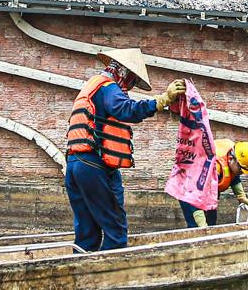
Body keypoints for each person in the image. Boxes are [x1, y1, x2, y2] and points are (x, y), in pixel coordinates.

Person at [65, 46, 184, 252]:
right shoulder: (109, 87)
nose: (129, 86)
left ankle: (81, 273)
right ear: (123, 72)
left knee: (87, 232)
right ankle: (110, 275)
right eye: (131, 80)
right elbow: (125, 109)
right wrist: (162, 100)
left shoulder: (92, 85)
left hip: (76, 164)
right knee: (116, 231)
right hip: (94, 165)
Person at [178, 138, 248, 228]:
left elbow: (234, 176)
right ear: (230, 159)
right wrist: (202, 225)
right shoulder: (213, 167)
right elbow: (195, 197)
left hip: (210, 187)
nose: (242, 173)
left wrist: (241, 196)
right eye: (241, 170)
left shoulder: (233, 156)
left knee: (211, 221)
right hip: (189, 188)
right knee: (195, 226)